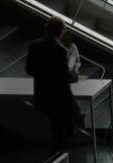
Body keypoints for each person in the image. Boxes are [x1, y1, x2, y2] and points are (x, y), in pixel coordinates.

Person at [26, 16, 81, 152]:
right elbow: (65, 77)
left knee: (58, 127)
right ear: (61, 31)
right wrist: (75, 73)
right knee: (60, 130)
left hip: (43, 94)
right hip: (60, 98)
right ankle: (57, 156)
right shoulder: (60, 50)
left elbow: (29, 69)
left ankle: (58, 153)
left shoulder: (34, 45)